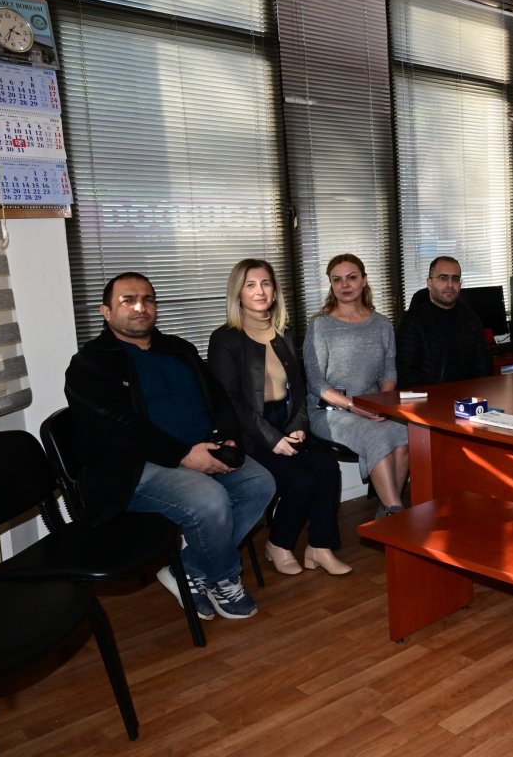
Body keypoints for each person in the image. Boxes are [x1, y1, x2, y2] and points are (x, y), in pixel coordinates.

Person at [64, 272, 275, 620]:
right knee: (209, 500)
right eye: (128, 300)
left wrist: (227, 437)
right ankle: (225, 576)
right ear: (106, 311)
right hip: (135, 467)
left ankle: (188, 569)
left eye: (148, 299)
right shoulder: (90, 364)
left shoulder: (179, 349)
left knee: (260, 483)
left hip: (201, 447)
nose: (140, 307)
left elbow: (218, 398)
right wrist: (183, 455)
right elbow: (119, 428)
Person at [207, 259, 350, 577]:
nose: (260, 291)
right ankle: (279, 544)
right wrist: (272, 439)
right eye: (250, 285)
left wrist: (298, 425)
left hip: (285, 420)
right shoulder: (225, 339)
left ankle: (320, 547)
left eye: (266, 283)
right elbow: (231, 401)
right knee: (300, 482)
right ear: (238, 293)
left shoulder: (284, 331)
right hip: (248, 431)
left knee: (327, 466)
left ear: (275, 290)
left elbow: (298, 387)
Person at [303, 254, 410, 518]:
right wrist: (355, 407)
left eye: (351, 277)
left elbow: (389, 371)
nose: (345, 285)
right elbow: (316, 383)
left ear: (364, 280)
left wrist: (383, 405)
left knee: (405, 432)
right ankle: (396, 513)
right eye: (337, 280)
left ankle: (388, 510)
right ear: (331, 285)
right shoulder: (321, 325)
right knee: (376, 436)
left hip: (372, 407)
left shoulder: (382, 324)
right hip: (330, 411)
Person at [396, 255, 493, 388]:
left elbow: (483, 367)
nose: (450, 285)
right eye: (443, 278)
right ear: (429, 283)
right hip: (429, 397)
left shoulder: (470, 319)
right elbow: (406, 374)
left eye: (455, 279)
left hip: (468, 396)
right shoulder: (411, 321)